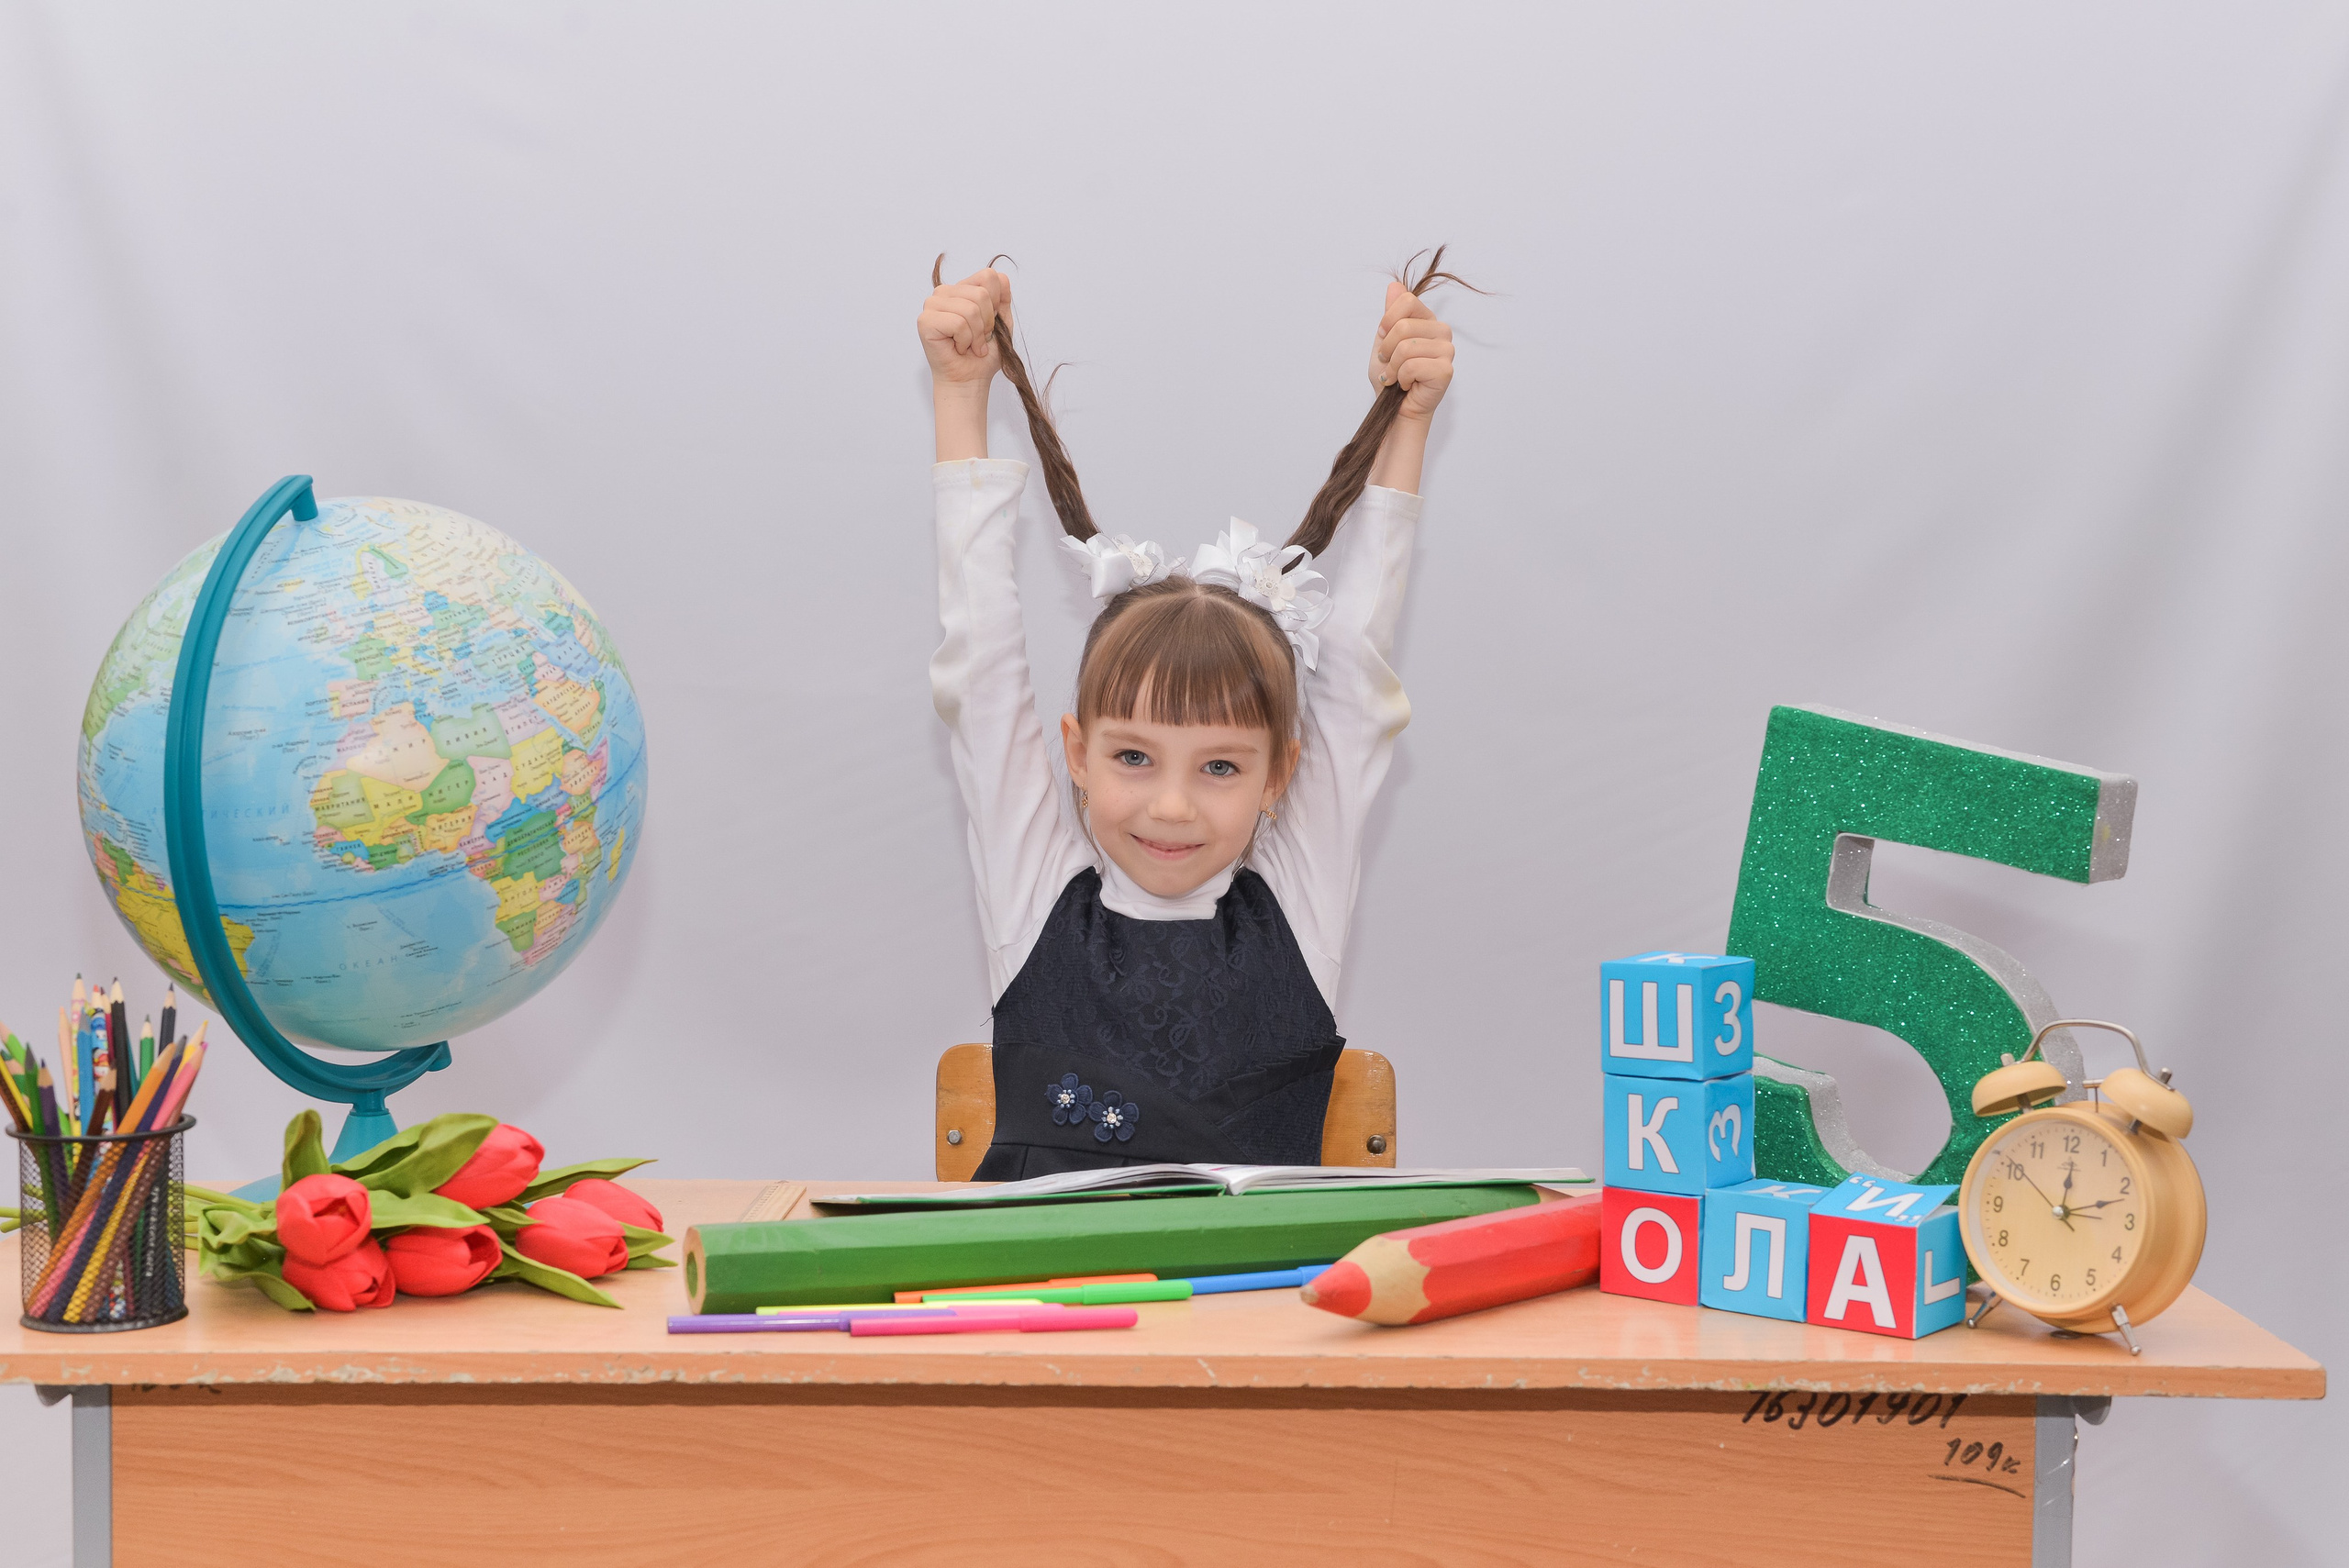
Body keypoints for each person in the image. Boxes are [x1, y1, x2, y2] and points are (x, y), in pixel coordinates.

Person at [919, 252, 1463, 1178]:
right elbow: (982, 672)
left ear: (1278, 775)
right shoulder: (1034, 896)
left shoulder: (1297, 906)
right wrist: (960, 397)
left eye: (1219, 766)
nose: (1171, 805)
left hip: (1267, 1281)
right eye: (1134, 756)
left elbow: (1357, 681)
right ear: (1077, 753)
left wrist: (1405, 422)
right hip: (1043, 1281)